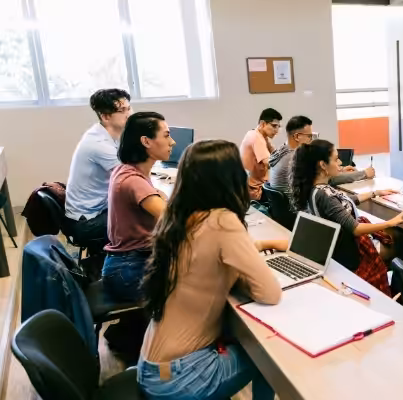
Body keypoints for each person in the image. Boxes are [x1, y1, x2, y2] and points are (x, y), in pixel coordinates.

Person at [138, 140, 285, 400]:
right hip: (180, 377)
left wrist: (259, 245)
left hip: (153, 367)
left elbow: (205, 257)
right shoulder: (222, 220)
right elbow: (270, 293)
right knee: (270, 355)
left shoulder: (177, 214)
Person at [290, 139, 403, 295]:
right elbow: (356, 229)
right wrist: (390, 222)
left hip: (338, 251)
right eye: (336, 158)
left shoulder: (316, 189)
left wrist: (375, 193)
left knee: (394, 234)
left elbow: (344, 203)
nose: (340, 162)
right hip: (353, 255)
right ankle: (398, 293)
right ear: (323, 165)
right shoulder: (325, 195)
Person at [103, 112, 174, 302]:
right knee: (203, 281)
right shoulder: (134, 180)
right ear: (146, 141)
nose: (172, 142)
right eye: (166, 135)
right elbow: (172, 220)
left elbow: (162, 201)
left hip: (124, 265)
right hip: (129, 271)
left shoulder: (126, 170)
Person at [63, 88, 132, 246]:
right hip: (86, 223)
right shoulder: (98, 143)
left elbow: (129, 166)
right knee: (142, 214)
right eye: (122, 111)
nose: (129, 114)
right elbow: (130, 179)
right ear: (105, 116)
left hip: (96, 211)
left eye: (129, 108)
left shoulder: (108, 134)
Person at [269, 115, 374, 195]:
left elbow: (318, 174)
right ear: (297, 136)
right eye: (309, 136)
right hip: (298, 212)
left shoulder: (281, 151)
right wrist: (364, 173)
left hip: (284, 212)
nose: (311, 140)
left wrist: (339, 170)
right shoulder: (295, 158)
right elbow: (328, 179)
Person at [241, 108, 282, 202]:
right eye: (274, 126)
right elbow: (270, 163)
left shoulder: (259, 135)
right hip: (256, 192)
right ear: (263, 124)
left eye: (278, 127)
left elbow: (276, 155)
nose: (276, 131)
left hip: (254, 188)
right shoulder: (256, 138)